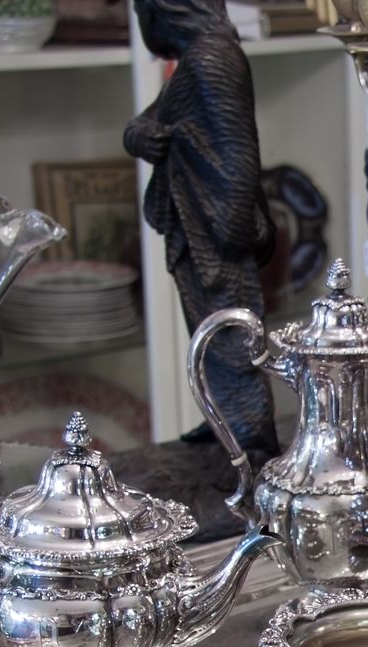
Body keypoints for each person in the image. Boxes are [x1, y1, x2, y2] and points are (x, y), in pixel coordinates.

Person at [125, 0, 278, 461]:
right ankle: (223, 423)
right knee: (207, 334)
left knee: (229, 337)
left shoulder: (212, 59)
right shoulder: (198, 60)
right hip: (200, 223)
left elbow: (239, 155)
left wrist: (230, 233)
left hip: (216, 230)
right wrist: (136, 136)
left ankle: (251, 445)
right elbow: (153, 120)